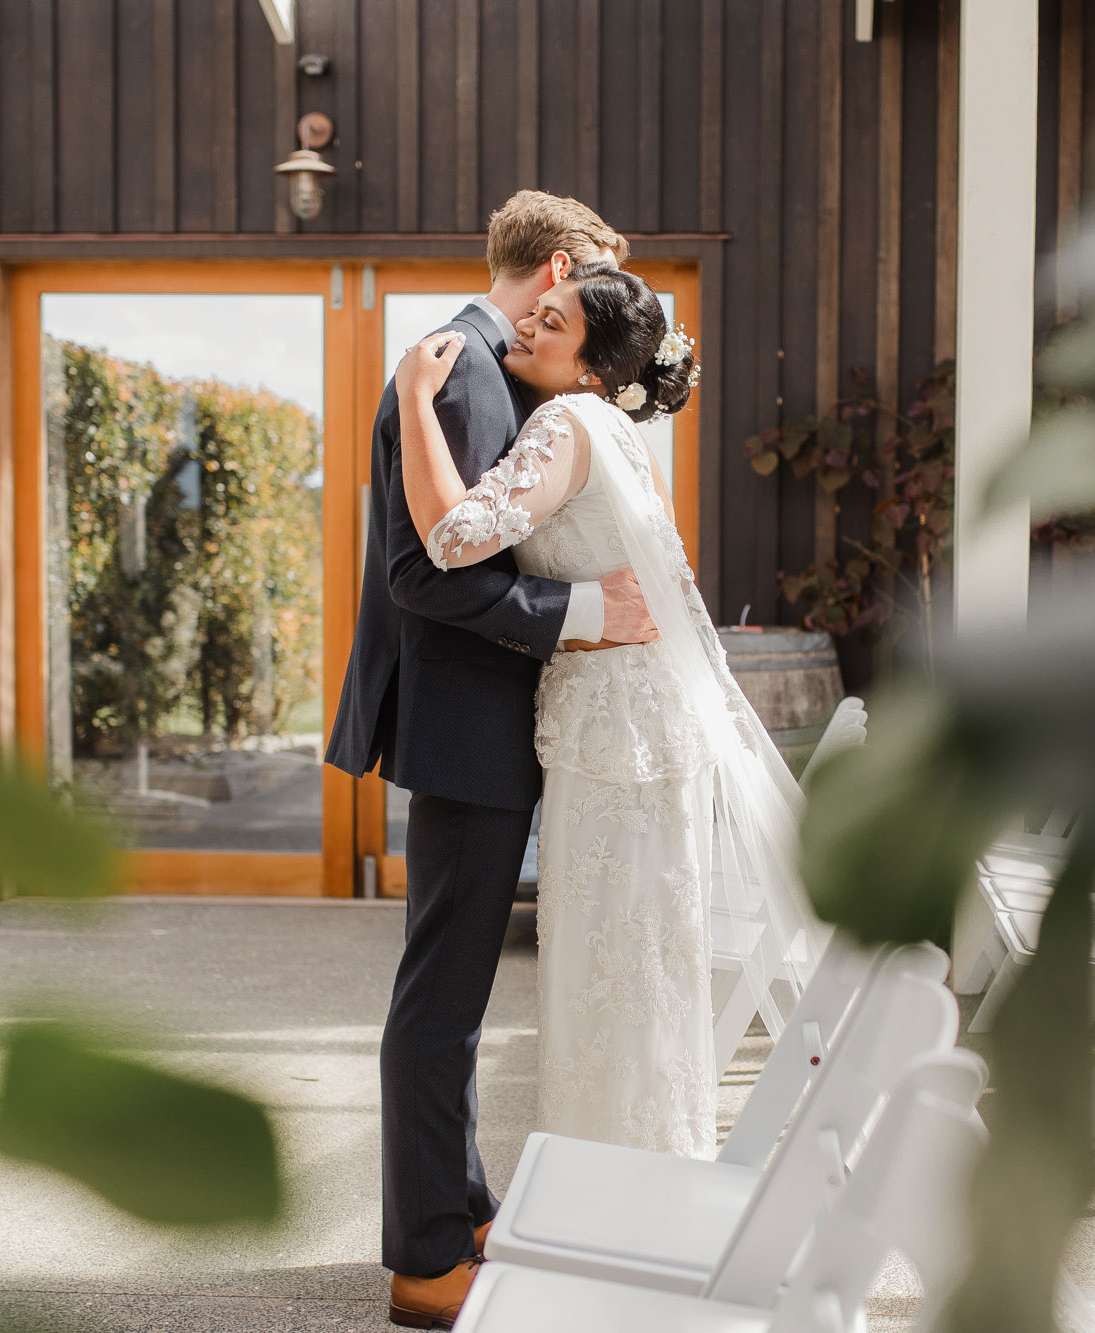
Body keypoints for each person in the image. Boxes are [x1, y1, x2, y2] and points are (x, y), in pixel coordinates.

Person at [394, 260, 818, 1197]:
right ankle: (641, 1192)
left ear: (589, 369)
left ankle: (615, 1203)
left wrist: (416, 396)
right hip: (632, 728)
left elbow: (453, 537)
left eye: (552, 324)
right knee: (637, 973)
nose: (529, 329)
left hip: (613, 740)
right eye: (537, 311)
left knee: (608, 972)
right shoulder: (617, 429)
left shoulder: (565, 420)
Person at [322, 191, 660, 1331]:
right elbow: (428, 573)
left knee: (454, 991)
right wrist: (581, 611)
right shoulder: (462, 365)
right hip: (470, 728)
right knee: (442, 997)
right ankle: (424, 1259)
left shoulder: (473, 364)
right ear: (558, 266)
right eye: (585, 291)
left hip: (479, 723)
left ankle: (458, 1211)